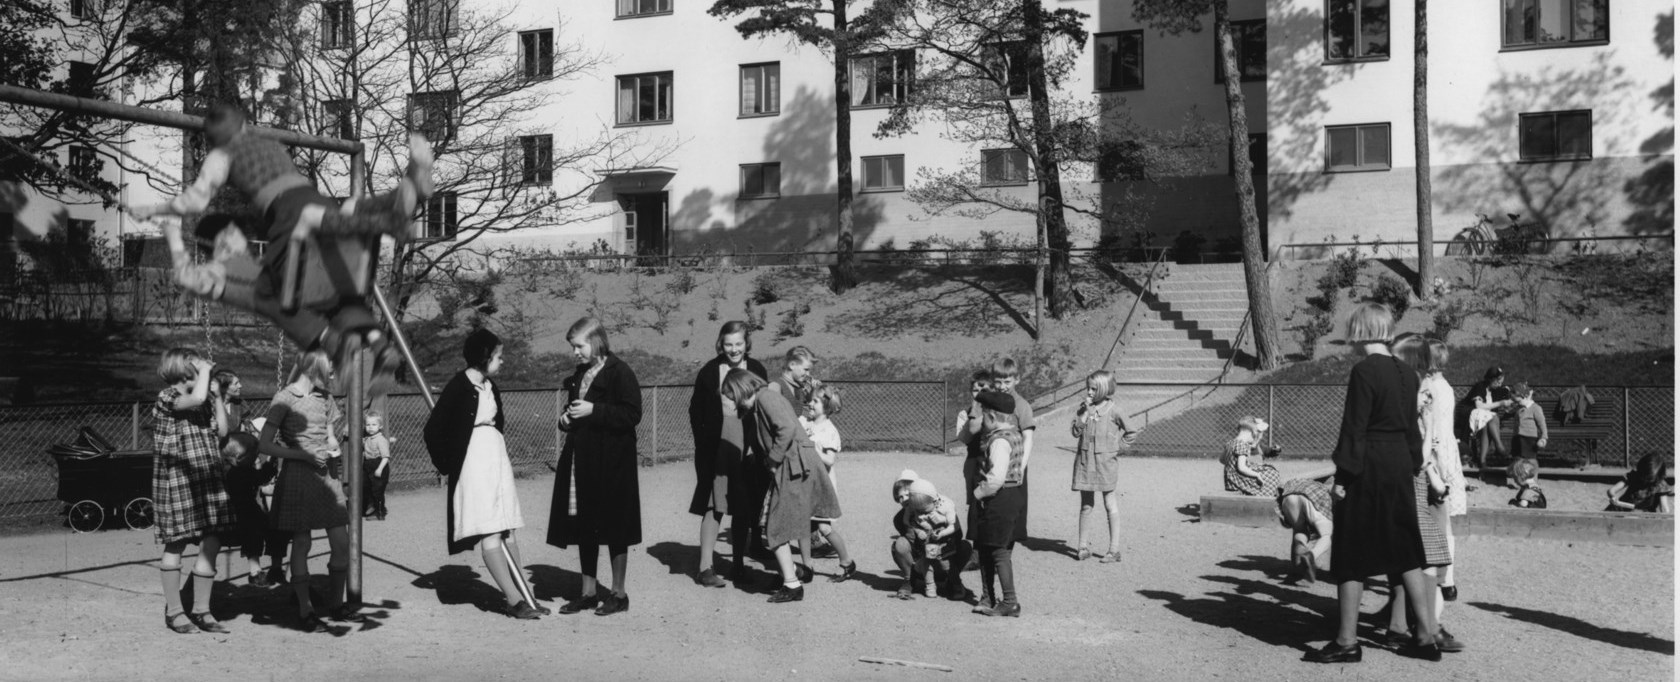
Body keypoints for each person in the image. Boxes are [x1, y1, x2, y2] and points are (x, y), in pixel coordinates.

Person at [130, 104, 432, 397]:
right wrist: (170, 230)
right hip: (307, 209)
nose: (241, 238)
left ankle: (390, 211)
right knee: (341, 267)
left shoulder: (258, 263)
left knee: (329, 272)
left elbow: (201, 203)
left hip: (299, 247)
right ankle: (394, 205)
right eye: (234, 234)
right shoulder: (221, 270)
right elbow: (187, 271)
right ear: (221, 240)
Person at [1305, 303, 1440, 663]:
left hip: (1369, 467)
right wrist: (1413, 466)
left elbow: (1355, 427)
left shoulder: (1365, 371)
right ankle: (1426, 636)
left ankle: (1347, 641)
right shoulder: (1406, 373)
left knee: (1350, 552)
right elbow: (1412, 430)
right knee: (1406, 549)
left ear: (1360, 331)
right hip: (1398, 466)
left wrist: (1342, 476)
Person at [423, 329, 543, 620]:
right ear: (484, 356)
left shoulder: (490, 387)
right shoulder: (458, 386)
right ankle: (514, 601)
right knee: (490, 528)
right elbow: (433, 430)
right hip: (473, 464)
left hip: (495, 460)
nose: (502, 362)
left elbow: (497, 422)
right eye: (498, 356)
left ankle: (526, 594)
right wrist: (451, 464)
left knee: (507, 526)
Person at [260, 349, 363, 632]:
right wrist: (303, 455)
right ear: (312, 368)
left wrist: (331, 446)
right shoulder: (285, 399)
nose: (332, 374)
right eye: (329, 369)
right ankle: (305, 609)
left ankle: (336, 604)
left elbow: (330, 436)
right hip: (298, 476)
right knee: (302, 543)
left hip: (326, 476)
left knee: (341, 543)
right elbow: (265, 445)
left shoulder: (324, 398)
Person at [722, 368, 846, 603]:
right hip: (790, 466)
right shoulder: (760, 404)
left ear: (740, 389)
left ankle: (792, 584)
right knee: (777, 523)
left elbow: (786, 429)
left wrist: (773, 459)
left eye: (731, 395)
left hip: (794, 465)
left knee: (776, 526)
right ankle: (793, 574)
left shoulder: (767, 398)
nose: (730, 401)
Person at [549, 318, 644, 617]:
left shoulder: (620, 372)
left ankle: (618, 594)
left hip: (613, 463)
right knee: (585, 526)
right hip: (583, 460)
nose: (575, 352)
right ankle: (588, 592)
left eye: (579, 346)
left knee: (616, 526)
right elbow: (574, 410)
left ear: (597, 341)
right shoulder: (581, 374)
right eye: (573, 347)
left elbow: (632, 414)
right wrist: (566, 419)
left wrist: (595, 410)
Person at [1381, 333, 1464, 654]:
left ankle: (1409, 623)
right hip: (1415, 474)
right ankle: (1423, 625)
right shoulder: (1411, 390)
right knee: (1422, 551)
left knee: (1418, 551)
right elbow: (1416, 439)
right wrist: (1434, 474)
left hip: (1422, 470)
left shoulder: (1413, 389)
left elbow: (1424, 435)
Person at [150, 348, 237, 634]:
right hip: (179, 479)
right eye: (196, 367)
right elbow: (195, 397)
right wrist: (205, 375)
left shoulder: (202, 402)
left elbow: (223, 432)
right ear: (183, 370)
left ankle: (202, 609)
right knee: (176, 542)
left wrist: (217, 399)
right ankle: (175, 612)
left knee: (211, 541)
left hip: (207, 478)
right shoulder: (168, 397)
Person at [686, 321, 769, 588]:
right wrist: (705, 447)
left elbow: (762, 410)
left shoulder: (756, 369)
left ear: (747, 344)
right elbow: (696, 412)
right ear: (721, 344)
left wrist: (758, 447)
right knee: (714, 505)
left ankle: (738, 564)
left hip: (748, 450)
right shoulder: (710, 372)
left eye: (739, 344)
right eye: (728, 344)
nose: (733, 350)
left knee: (744, 505)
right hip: (717, 450)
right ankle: (705, 567)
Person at [965, 387, 1027, 617]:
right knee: (985, 548)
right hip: (1012, 496)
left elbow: (996, 478)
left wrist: (979, 493)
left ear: (991, 417)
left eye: (983, 417)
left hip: (998, 498)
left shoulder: (999, 442)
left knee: (998, 551)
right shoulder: (1014, 434)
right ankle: (988, 596)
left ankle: (1009, 600)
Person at [1070, 370, 1138, 563]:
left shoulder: (1115, 410)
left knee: (1110, 504)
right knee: (1086, 505)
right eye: (1088, 388)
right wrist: (1083, 413)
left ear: (1105, 390)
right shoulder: (1083, 409)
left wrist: (1116, 448)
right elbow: (1075, 432)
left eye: (1094, 389)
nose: (1089, 392)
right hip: (1085, 464)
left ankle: (1114, 550)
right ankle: (1082, 547)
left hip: (1105, 465)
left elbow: (1131, 432)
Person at [1422, 338, 1467, 601]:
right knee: (1444, 520)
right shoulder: (1446, 385)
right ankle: (1447, 579)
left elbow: (1433, 425)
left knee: (1437, 518)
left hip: (1437, 450)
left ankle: (1442, 577)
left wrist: (1433, 459)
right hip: (1448, 450)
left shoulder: (1429, 386)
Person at [800, 381, 855, 574]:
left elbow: (830, 460)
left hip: (822, 486)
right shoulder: (806, 422)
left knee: (824, 528)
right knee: (803, 526)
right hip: (805, 482)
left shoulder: (829, 431)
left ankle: (847, 562)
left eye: (815, 401)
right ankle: (807, 566)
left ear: (827, 406)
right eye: (811, 400)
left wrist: (812, 449)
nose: (811, 404)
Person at [890, 473, 972, 601]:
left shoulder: (941, 506)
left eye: (907, 494)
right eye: (900, 497)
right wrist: (917, 531)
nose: (904, 500)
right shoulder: (901, 518)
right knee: (900, 544)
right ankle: (909, 580)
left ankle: (953, 580)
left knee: (965, 546)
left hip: (944, 555)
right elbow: (911, 543)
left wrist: (941, 529)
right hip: (922, 562)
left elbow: (957, 533)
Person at [991, 357, 1035, 543]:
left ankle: (1011, 538)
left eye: (1007, 382)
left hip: (1014, 463)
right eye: (998, 381)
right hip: (994, 459)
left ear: (1017, 379)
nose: (1002, 386)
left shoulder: (1022, 406)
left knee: (1012, 503)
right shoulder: (991, 401)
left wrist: (1021, 467)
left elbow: (1028, 438)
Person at [1456, 367, 1513, 482]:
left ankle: (1483, 462)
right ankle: (1499, 446)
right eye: (1497, 381)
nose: (1499, 384)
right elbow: (1479, 406)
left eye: (1501, 382)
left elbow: (1510, 403)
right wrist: (1501, 403)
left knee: (1488, 422)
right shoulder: (1480, 387)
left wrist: (1510, 404)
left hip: (1486, 422)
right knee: (1493, 416)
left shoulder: (1498, 390)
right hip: (1470, 416)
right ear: (1490, 379)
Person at [1276, 476, 1334, 585]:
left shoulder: (1301, 482)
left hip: (1288, 496)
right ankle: (1311, 556)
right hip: (1312, 497)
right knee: (1326, 535)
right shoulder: (1325, 490)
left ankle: (1297, 570)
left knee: (1299, 530)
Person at [1221, 416, 1281, 497]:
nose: (1254, 440)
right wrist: (1256, 475)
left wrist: (1232, 464)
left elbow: (1222, 460)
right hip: (1238, 478)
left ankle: (1259, 493)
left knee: (1265, 470)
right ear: (1251, 432)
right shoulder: (1242, 445)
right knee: (1272, 473)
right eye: (1255, 436)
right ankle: (1264, 497)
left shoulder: (1230, 443)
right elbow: (1241, 468)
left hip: (1230, 477)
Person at [1507, 383, 1547, 483]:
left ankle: (1534, 480)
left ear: (1523, 395)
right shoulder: (1518, 408)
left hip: (1530, 439)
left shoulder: (1535, 408)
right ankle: (1520, 481)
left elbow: (1542, 424)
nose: (1512, 396)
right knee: (1517, 461)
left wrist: (1543, 437)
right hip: (1517, 439)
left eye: (1514, 394)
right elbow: (1508, 410)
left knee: (1531, 461)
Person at [1606, 453, 1673, 512]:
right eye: (1643, 476)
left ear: (1659, 476)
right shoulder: (1634, 476)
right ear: (1640, 470)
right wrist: (1613, 497)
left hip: (1643, 516)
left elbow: (1664, 509)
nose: (1645, 480)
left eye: (1649, 478)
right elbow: (1612, 490)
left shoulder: (1660, 485)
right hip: (1620, 510)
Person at [361, 411, 393, 520]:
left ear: (380, 426)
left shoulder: (380, 440)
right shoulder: (367, 438)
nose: (370, 427)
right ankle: (370, 507)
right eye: (368, 425)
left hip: (379, 466)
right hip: (368, 465)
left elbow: (386, 457)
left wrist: (379, 469)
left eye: (374, 425)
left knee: (377, 491)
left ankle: (380, 512)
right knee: (367, 487)